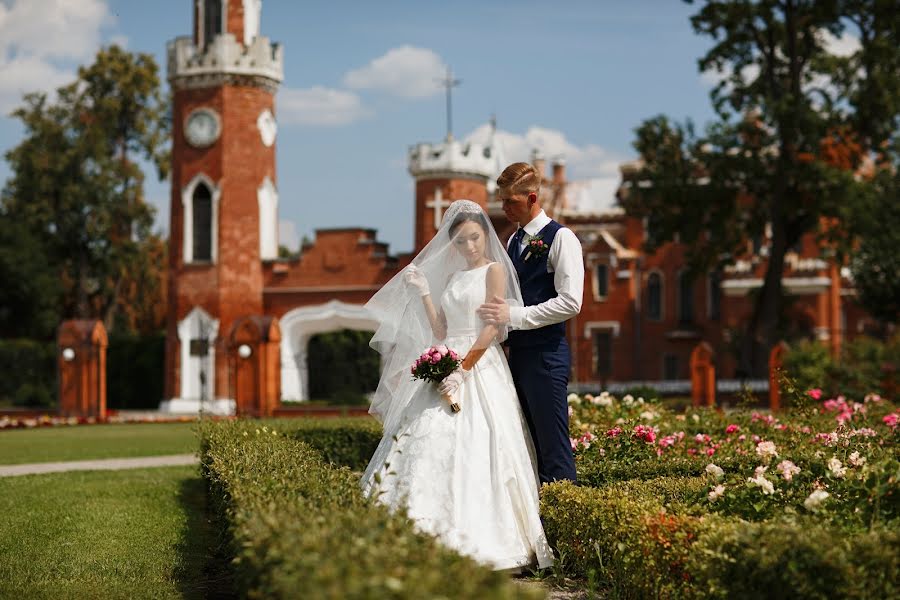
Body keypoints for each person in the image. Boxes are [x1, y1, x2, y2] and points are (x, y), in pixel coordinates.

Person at [360, 199, 553, 571]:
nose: (470, 247)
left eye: (475, 238)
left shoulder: (494, 270)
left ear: (485, 236)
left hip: (480, 362)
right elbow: (440, 330)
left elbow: (493, 327)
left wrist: (463, 369)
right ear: (453, 243)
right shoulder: (450, 278)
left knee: (483, 442)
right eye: (462, 241)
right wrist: (424, 293)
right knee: (424, 436)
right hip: (448, 353)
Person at [477, 162, 584, 484]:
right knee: (527, 445)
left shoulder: (562, 238)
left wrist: (515, 316)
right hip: (518, 356)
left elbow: (571, 302)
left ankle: (567, 521)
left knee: (553, 447)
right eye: (502, 200)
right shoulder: (512, 241)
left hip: (547, 356)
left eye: (510, 201)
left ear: (532, 197)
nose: (504, 207)